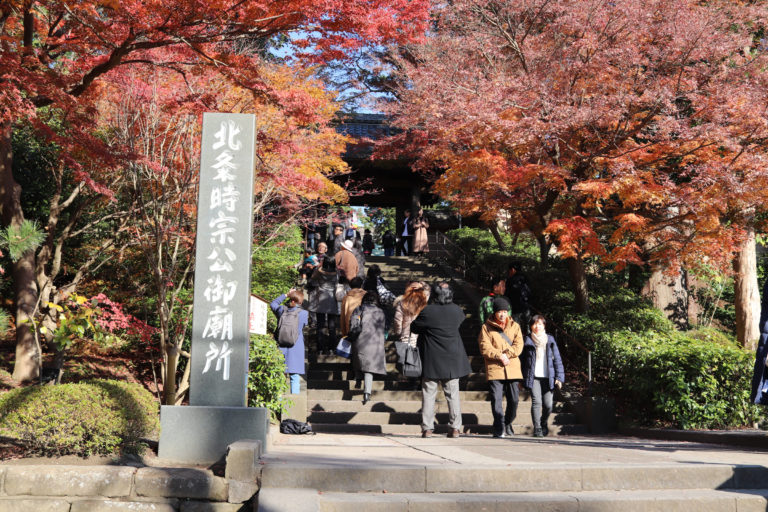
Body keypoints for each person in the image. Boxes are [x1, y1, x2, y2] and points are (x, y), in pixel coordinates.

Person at [411, 281, 471, 438]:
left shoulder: (428, 311)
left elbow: (414, 327)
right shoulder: (457, 311)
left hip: (431, 359)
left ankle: (427, 428)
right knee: (453, 395)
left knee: (428, 394)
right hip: (452, 359)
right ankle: (456, 427)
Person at [477, 296, 524, 438]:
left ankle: (507, 422)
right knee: (496, 399)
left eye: (505, 311)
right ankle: (499, 427)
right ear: (495, 312)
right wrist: (499, 355)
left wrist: (507, 355)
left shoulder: (515, 326)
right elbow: (484, 347)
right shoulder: (486, 327)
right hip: (495, 368)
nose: (502, 314)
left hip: (512, 367)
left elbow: (519, 345)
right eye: (500, 312)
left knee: (514, 399)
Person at [522, 315, 565, 437]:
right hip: (533, 376)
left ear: (544, 326)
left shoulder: (550, 340)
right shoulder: (527, 340)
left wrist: (559, 377)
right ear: (531, 326)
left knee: (548, 405)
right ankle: (538, 428)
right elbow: (522, 360)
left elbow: (557, 359)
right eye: (534, 324)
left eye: (540, 324)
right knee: (536, 402)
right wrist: (521, 378)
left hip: (548, 377)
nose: (537, 326)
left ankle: (543, 422)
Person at [348, 291, 387, 404]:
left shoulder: (359, 309)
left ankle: (358, 379)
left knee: (358, 359)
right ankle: (367, 393)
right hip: (375, 342)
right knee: (368, 369)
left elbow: (354, 324)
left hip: (361, 339)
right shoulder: (380, 311)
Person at [270, 289, 309, 394]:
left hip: (281, 345)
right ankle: (294, 403)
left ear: (290, 299)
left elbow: (273, 303)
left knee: (280, 374)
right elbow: (304, 325)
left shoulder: (281, 310)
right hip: (296, 345)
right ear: (300, 302)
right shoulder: (304, 313)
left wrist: (286, 294)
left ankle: (279, 401)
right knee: (295, 376)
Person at [308, 258, 339, 355]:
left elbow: (312, 281)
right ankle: (332, 348)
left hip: (320, 300)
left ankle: (320, 349)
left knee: (320, 326)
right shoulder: (337, 273)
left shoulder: (319, 272)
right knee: (332, 326)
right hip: (332, 300)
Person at [505, 262, 533, 332]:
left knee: (516, 328)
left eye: (510, 270)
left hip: (515, 308)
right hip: (526, 307)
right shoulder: (526, 278)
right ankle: (528, 340)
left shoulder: (510, 280)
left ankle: (518, 341)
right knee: (528, 326)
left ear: (513, 270)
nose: (509, 272)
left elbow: (507, 294)